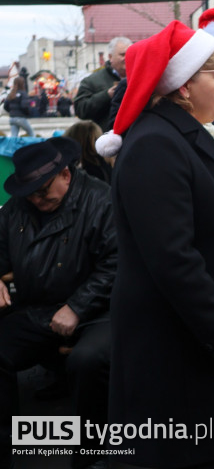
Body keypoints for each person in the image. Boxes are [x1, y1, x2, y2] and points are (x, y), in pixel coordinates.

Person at [98, 21, 214, 468]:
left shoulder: (181, 133)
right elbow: (173, 259)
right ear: (183, 86)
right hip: (173, 345)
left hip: (192, 336)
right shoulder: (155, 145)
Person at [0, 137, 116, 469]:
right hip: (38, 308)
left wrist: (78, 306)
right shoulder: (19, 207)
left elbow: (116, 263)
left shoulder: (101, 200)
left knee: (87, 361)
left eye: (42, 191)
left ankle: (91, 454)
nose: (36, 200)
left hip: (98, 311)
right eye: (30, 194)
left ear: (65, 174)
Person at [74, 36, 130, 130]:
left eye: (129, 54)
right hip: (105, 135)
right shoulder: (92, 81)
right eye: (122, 54)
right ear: (110, 57)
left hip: (134, 136)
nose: (126, 57)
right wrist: (106, 95)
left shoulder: (141, 76)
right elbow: (80, 110)